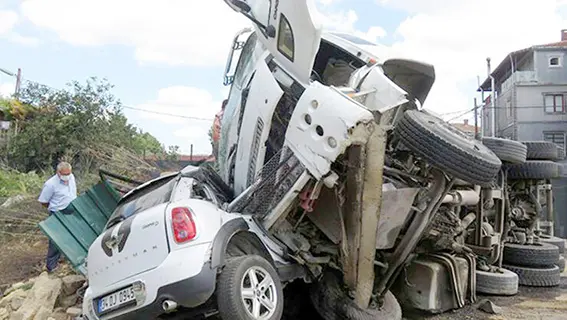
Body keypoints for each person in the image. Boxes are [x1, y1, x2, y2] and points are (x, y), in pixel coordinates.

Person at [38, 161, 77, 272]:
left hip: (72, 210)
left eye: (69, 173)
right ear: (58, 172)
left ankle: (70, 260)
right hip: (57, 213)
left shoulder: (71, 177)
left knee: (71, 236)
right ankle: (52, 266)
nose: (67, 176)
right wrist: (55, 207)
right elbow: (43, 201)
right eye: (65, 174)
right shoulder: (51, 184)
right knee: (56, 240)